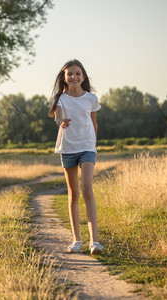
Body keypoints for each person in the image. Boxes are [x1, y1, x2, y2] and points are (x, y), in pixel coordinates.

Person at [48, 59, 104, 255]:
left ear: (83, 77)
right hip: (68, 148)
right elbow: (58, 116)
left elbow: (94, 123)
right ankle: (76, 240)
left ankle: (94, 241)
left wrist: (93, 145)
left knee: (87, 189)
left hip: (87, 147)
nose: (74, 77)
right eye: (70, 74)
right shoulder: (60, 98)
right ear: (64, 78)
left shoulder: (91, 98)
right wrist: (61, 121)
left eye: (77, 73)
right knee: (73, 194)